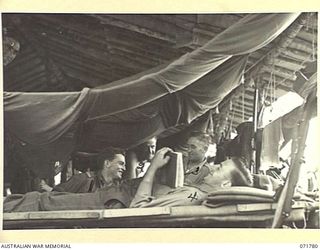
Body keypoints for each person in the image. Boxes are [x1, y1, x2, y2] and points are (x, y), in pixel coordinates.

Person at [130, 148, 253, 208]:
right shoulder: (198, 195)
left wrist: (153, 167)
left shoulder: (192, 196)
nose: (212, 167)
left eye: (219, 168)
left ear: (225, 185)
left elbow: (137, 208)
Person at [44, 147, 126, 193]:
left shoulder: (119, 187)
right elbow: (56, 195)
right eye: (121, 164)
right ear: (107, 163)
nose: (124, 168)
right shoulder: (82, 179)